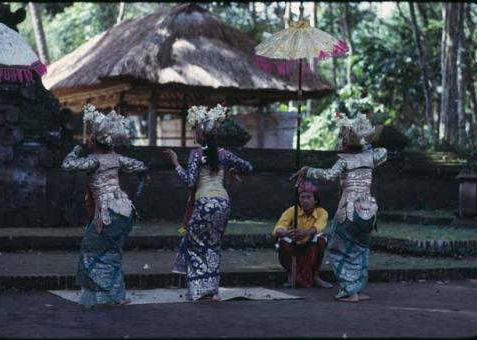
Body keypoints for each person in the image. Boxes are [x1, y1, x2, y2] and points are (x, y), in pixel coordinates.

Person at [291, 113, 387, 302]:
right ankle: (357, 289)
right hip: (369, 212)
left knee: (337, 247)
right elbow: (383, 151)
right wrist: (365, 143)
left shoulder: (344, 160)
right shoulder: (371, 157)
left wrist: (308, 170)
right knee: (360, 247)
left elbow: (328, 175)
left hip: (349, 211)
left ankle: (350, 291)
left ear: (346, 144)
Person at [163, 104, 253, 301]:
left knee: (195, 245)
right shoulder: (224, 154)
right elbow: (248, 166)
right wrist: (233, 171)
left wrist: (176, 163)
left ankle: (198, 291)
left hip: (204, 204)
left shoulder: (196, 154)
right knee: (213, 246)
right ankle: (212, 292)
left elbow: (190, 181)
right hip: (223, 205)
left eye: (195, 129)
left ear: (201, 133)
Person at [62, 104, 148, 307]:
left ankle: (100, 296)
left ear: (94, 140)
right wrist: (144, 176)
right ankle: (116, 296)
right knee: (112, 253)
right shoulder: (118, 159)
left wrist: (77, 148)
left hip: (107, 213)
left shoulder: (93, 161)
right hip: (124, 211)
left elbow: (67, 165)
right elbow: (140, 165)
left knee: (90, 251)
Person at [273, 180, 333, 288]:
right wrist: (287, 233)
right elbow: (278, 229)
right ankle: (291, 275)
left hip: (310, 246)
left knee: (321, 239)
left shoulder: (322, 212)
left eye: (309, 197)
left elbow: (319, 227)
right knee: (282, 241)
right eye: (302, 197)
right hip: (293, 245)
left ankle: (315, 276)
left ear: (315, 200)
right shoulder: (292, 211)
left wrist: (305, 233)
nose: (305, 200)